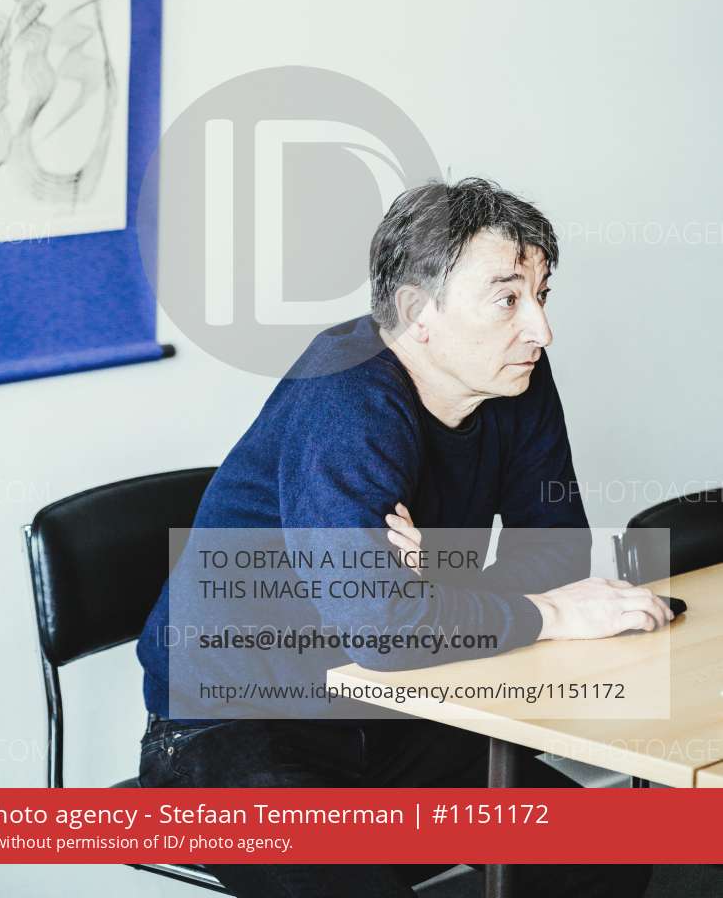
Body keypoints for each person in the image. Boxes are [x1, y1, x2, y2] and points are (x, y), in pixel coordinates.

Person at [137, 177, 663, 897]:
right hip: (235, 726)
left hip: (399, 709)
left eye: (541, 296)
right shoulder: (345, 397)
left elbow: (558, 553)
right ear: (418, 313)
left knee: (606, 851)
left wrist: (425, 591)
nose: (540, 329)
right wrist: (546, 614)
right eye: (508, 299)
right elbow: (384, 630)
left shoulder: (513, 379)